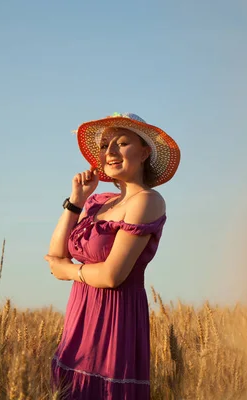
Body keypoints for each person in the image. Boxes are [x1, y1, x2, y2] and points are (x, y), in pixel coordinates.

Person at [44, 112, 180, 399]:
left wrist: (69, 271)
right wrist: (76, 201)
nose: (110, 152)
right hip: (79, 318)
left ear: (144, 153)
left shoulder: (148, 201)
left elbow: (111, 275)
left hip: (114, 319)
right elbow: (55, 254)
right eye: (106, 146)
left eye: (121, 143)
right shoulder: (98, 202)